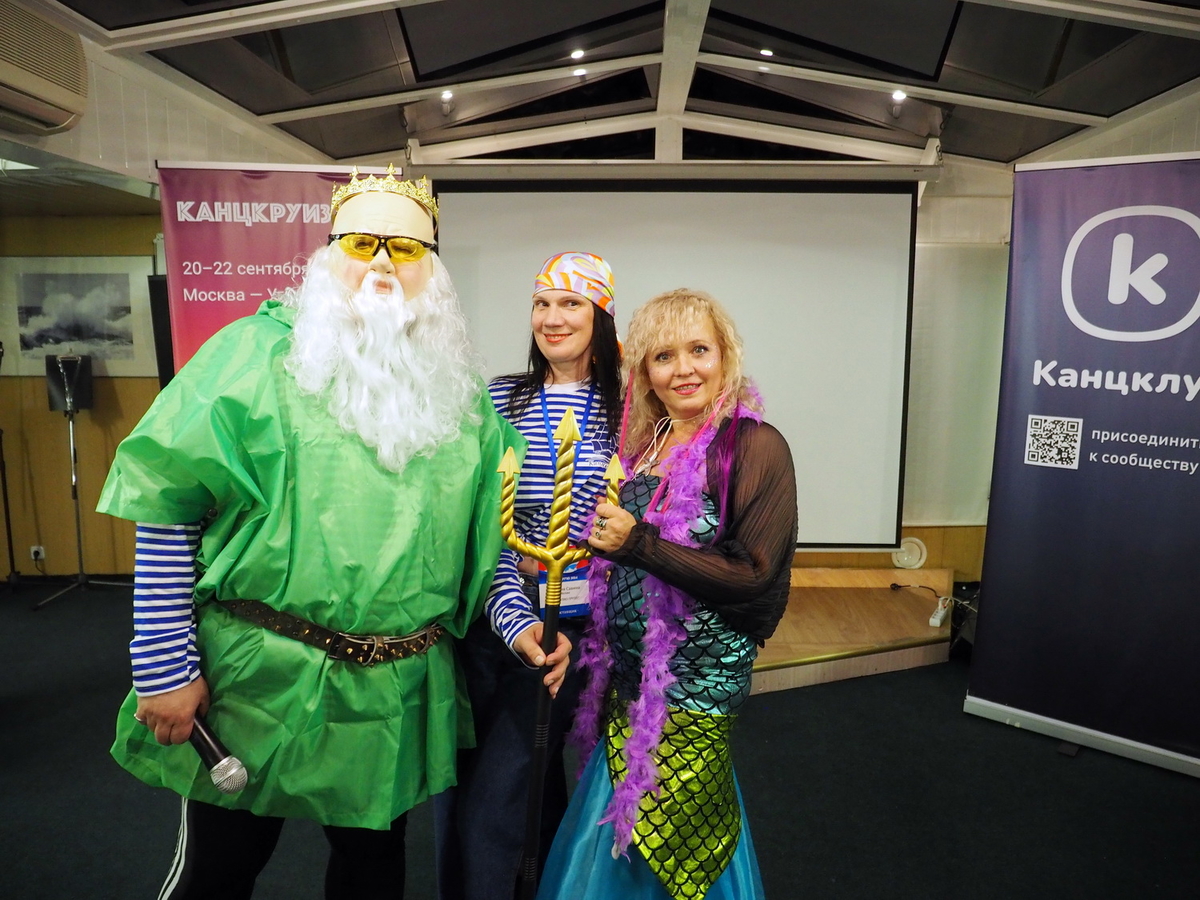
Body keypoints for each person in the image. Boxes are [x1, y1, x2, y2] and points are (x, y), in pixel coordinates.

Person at [97, 167, 529, 900]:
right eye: (362, 244)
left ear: (434, 270)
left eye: (406, 248)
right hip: (255, 681)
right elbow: (170, 500)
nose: (383, 264)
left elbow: (489, 540)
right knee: (219, 872)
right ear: (329, 256)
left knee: (372, 874)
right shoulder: (253, 356)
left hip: (390, 692)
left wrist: (517, 621)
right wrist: (164, 661)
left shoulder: (458, 396)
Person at [536, 288, 798, 900]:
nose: (683, 369)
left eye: (698, 350)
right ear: (644, 372)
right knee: (615, 836)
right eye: (663, 356)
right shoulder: (645, 445)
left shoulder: (753, 445)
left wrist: (637, 545)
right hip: (629, 687)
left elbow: (753, 573)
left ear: (725, 355)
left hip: (695, 689)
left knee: (681, 850)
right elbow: (618, 565)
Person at [435, 252, 623, 900]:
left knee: (513, 782)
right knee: (483, 780)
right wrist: (513, 617)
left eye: (570, 303)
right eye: (542, 303)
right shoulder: (499, 398)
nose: (552, 317)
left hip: (578, 630)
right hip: (496, 620)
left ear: (600, 316)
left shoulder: (628, 411)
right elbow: (480, 526)